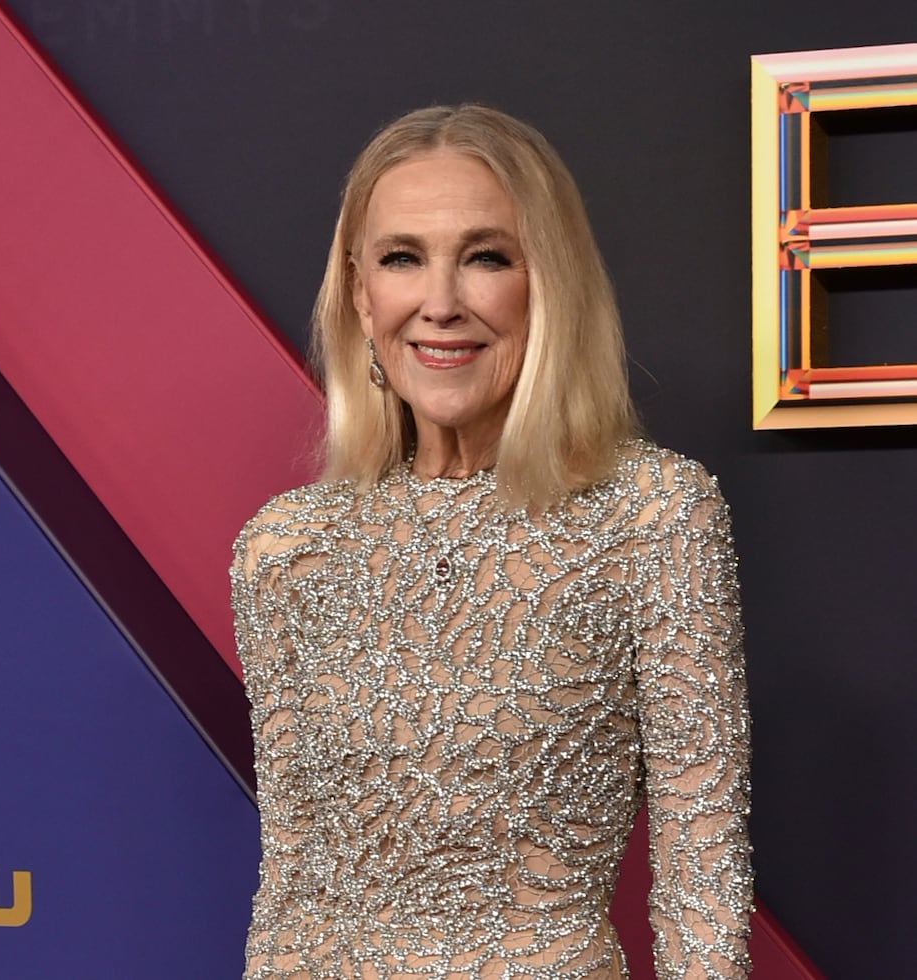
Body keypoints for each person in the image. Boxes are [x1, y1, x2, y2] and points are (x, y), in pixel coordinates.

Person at [231, 104, 752, 979]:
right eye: (403, 259)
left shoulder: (653, 516)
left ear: (546, 281)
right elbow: (290, 881)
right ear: (361, 293)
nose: (440, 303)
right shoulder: (286, 550)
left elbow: (703, 871)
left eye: (485, 257)